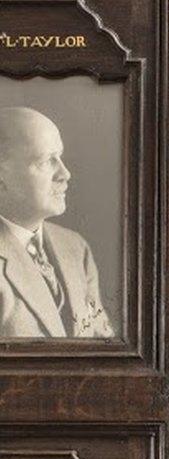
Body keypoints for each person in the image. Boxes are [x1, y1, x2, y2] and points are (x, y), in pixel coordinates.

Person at [0, 107, 113, 339]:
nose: (65, 173)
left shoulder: (74, 247)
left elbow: (104, 345)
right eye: (45, 161)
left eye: (59, 157)